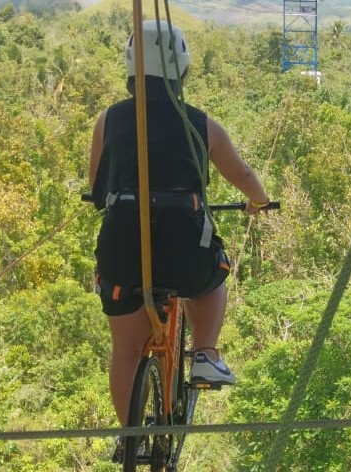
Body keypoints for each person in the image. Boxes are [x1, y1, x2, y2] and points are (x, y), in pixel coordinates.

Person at [89, 20, 270, 429]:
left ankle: (129, 436)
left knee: (125, 352)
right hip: (184, 245)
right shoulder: (200, 123)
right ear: (182, 71)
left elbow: (97, 187)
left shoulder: (109, 120)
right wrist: (258, 201)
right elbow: (241, 174)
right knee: (214, 274)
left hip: (122, 246)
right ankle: (205, 353)